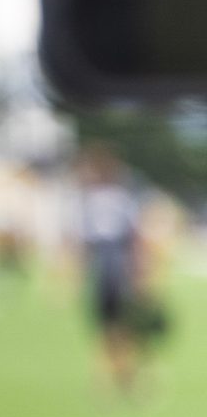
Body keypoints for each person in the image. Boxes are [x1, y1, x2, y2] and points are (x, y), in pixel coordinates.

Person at [74, 141, 152, 397]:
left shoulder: (99, 199)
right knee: (120, 327)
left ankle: (115, 378)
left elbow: (86, 243)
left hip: (109, 267)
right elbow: (135, 238)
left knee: (109, 327)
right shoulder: (119, 197)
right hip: (115, 267)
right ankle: (122, 378)